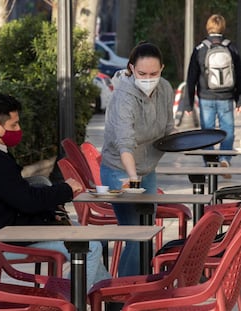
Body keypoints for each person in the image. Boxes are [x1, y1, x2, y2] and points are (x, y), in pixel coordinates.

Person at [0, 92, 111, 291]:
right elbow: (27, 201)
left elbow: (13, 197)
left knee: (87, 238)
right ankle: (66, 302)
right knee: (90, 248)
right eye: (14, 125)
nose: (19, 130)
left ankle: (110, 298)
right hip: (5, 242)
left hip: (2, 233)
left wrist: (50, 215)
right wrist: (66, 189)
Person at [100, 42, 175, 277]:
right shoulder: (124, 96)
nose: (148, 78)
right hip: (119, 169)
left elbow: (169, 129)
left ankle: (141, 286)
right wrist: (132, 179)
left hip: (148, 168)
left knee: (147, 230)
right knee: (136, 233)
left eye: (154, 73)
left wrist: (187, 143)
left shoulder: (165, 89)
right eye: (142, 74)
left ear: (162, 69)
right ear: (131, 69)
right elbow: (125, 143)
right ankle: (123, 294)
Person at [183, 14, 241, 178]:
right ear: (223, 28)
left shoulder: (200, 49)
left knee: (207, 132)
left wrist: (188, 104)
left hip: (206, 97)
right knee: (228, 130)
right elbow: (239, 74)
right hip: (226, 97)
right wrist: (240, 100)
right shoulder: (231, 48)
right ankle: (225, 158)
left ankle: (210, 161)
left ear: (208, 27)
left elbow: (191, 78)